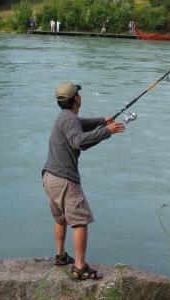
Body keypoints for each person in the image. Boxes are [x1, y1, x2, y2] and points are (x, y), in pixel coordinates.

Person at [42, 81, 125, 280]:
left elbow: (81, 124)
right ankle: (79, 267)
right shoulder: (70, 120)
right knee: (80, 221)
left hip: (49, 177)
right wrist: (108, 131)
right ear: (76, 99)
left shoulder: (64, 117)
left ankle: (61, 256)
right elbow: (78, 140)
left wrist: (102, 121)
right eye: (78, 93)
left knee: (61, 218)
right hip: (64, 180)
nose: (80, 95)